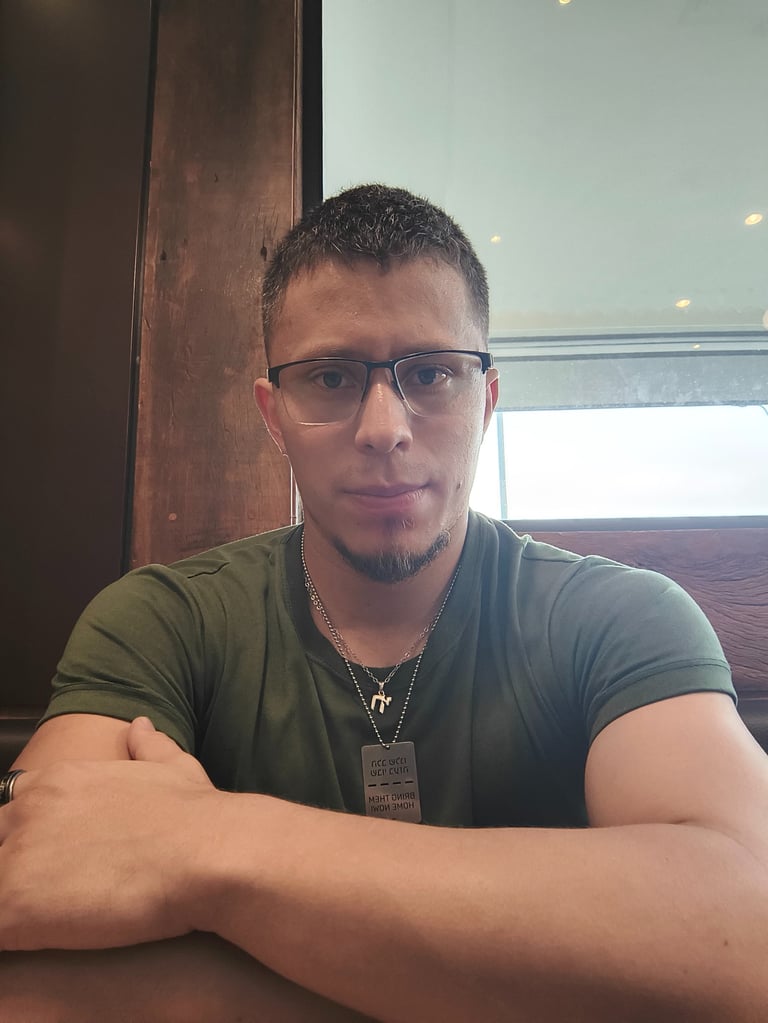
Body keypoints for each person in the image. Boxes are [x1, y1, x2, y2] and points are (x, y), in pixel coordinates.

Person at [1, 184, 767, 1023]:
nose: (382, 427)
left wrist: (206, 841)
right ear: (274, 415)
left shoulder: (619, 619)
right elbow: (33, 964)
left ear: (486, 400)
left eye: (431, 373)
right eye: (330, 377)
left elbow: (743, 931)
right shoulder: (162, 623)